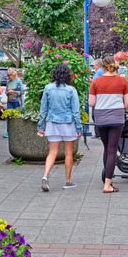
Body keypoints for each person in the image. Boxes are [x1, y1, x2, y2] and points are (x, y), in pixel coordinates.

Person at [89, 56, 128, 193]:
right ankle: (108, 184)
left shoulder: (96, 82)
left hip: (101, 119)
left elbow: (91, 103)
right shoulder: (122, 81)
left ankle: (108, 179)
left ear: (102, 67)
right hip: (117, 118)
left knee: (106, 148)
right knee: (113, 149)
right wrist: (120, 108)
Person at [37, 63, 83, 192]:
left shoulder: (48, 88)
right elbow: (75, 111)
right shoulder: (71, 90)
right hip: (68, 125)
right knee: (69, 153)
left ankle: (45, 175)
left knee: (52, 152)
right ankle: (67, 181)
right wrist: (79, 128)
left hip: (52, 123)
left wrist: (40, 125)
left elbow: (43, 109)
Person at [4, 68, 23, 138]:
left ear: (13, 74)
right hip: (10, 101)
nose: (8, 77)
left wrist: (13, 92)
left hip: (17, 102)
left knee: (17, 117)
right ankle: (8, 132)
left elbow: (22, 92)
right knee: (8, 116)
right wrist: (7, 92)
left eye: (9, 75)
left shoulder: (18, 81)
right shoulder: (8, 82)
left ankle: (17, 132)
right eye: (7, 75)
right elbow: (6, 91)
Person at [90, 59, 103, 139]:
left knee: (95, 114)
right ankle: (99, 134)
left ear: (98, 66)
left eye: (94, 65)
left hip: (97, 96)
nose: (94, 67)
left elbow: (94, 83)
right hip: (100, 96)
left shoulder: (99, 72)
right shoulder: (101, 71)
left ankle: (98, 134)